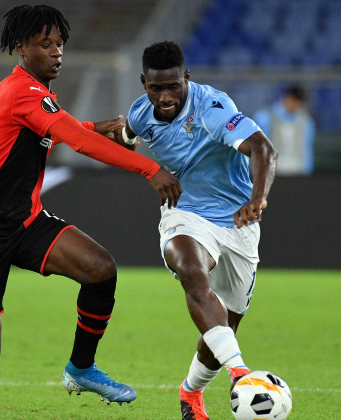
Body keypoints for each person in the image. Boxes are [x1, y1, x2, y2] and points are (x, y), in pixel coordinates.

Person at [0, 6, 181, 419]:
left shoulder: (35, 94)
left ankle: (82, 367)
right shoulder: (22, 92)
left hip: (25, 221)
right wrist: (151, 169)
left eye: (59, 45)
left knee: (100, 268)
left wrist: (96, 126)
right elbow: (72, 139)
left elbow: (59, 132)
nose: (56, 53)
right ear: (20, 48)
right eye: (44, 44)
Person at [120, 41, 278, 420]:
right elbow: (124, 135)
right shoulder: (140, 113)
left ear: (186, 78)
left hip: (240, 221)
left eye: (173, 86)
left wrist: (257, 199)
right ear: (144, 83)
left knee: (224, 325)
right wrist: (125, 145)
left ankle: (190, 391)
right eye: (156, 88)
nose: (165, 96)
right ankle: (241, 375)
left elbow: (263, 150)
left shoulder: (212, 109)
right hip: (185, 214)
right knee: (191, 270)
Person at [253, 84, 315, 175]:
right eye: (295, 101)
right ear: (287, 98)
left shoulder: (306, 122)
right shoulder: (265, 117)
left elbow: (306, 149)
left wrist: (307, 172)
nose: (296, 106)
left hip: (298, 172)